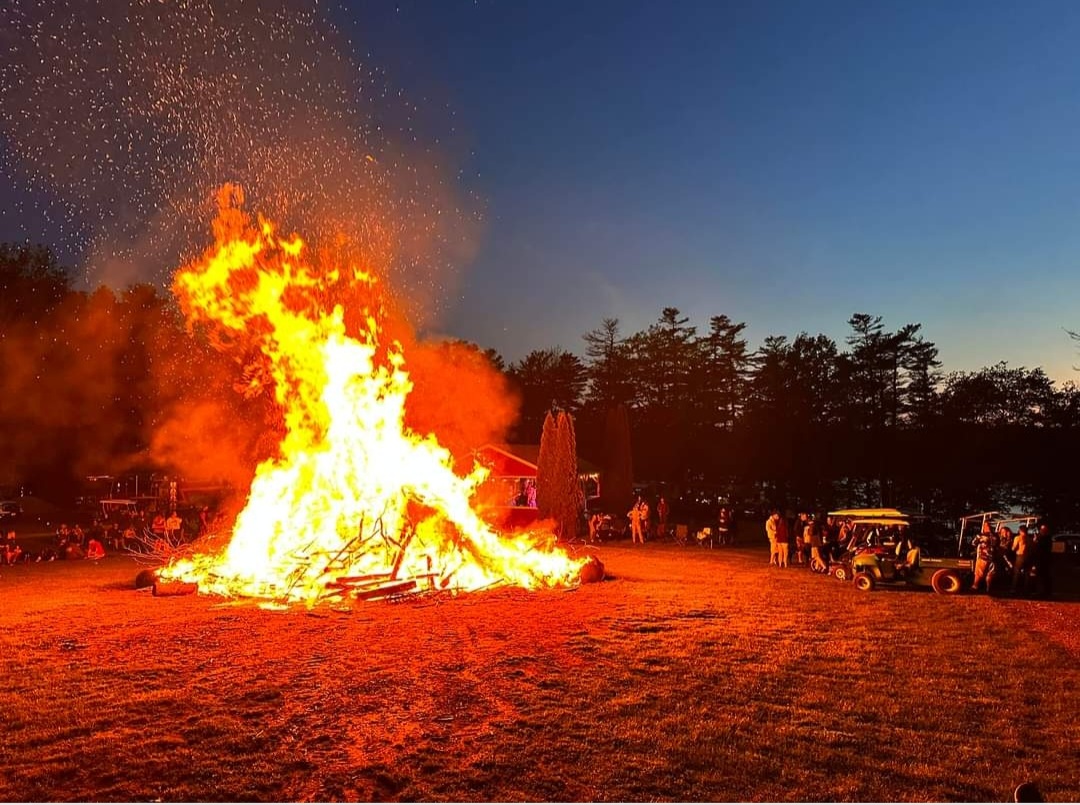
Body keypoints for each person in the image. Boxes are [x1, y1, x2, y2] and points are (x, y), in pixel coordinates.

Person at [1011, 524, 1034, 595]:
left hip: (1020, 556)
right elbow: (1032, 549)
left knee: (1016, 573)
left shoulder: (1018, 538)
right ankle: (1026, 589)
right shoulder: (1029, 539)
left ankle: (1014, 589)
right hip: (1028, 557)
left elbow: (1014, 548)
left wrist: (1012, 548)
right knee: (1027, 574)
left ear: (1020, 531)